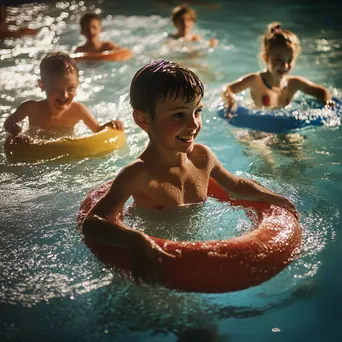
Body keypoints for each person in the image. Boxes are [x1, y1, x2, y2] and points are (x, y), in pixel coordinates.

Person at [81, 59, 298, 285]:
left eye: (197, 111)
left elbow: (236, 186)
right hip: (154, 266)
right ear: (143, 119)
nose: (193, 124)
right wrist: (137, 241)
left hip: (195, 261)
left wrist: (272, 197)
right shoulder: (138, 174)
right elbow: (93, 223)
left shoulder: (202, 158)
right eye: (178, 115)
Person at [4, 51, 124, 141]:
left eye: (70, 88)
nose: (64, 95)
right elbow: (9, 123)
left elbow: (97, 130)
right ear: (42, 86)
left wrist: (110, 125)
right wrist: (18, 134)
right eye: (56, 89)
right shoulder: (32, 108)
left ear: (77, 85)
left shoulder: (78, 110)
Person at [222, 22, 334, 111]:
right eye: (278, 60)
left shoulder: (294, 83)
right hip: (259, 127)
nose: (284, 65)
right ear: (266, 58)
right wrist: (231, 102)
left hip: (282, 126)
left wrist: (327, 100)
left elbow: (321, 91)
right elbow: (227, 89)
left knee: (297, 140)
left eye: (289, 60)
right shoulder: (255, 80)